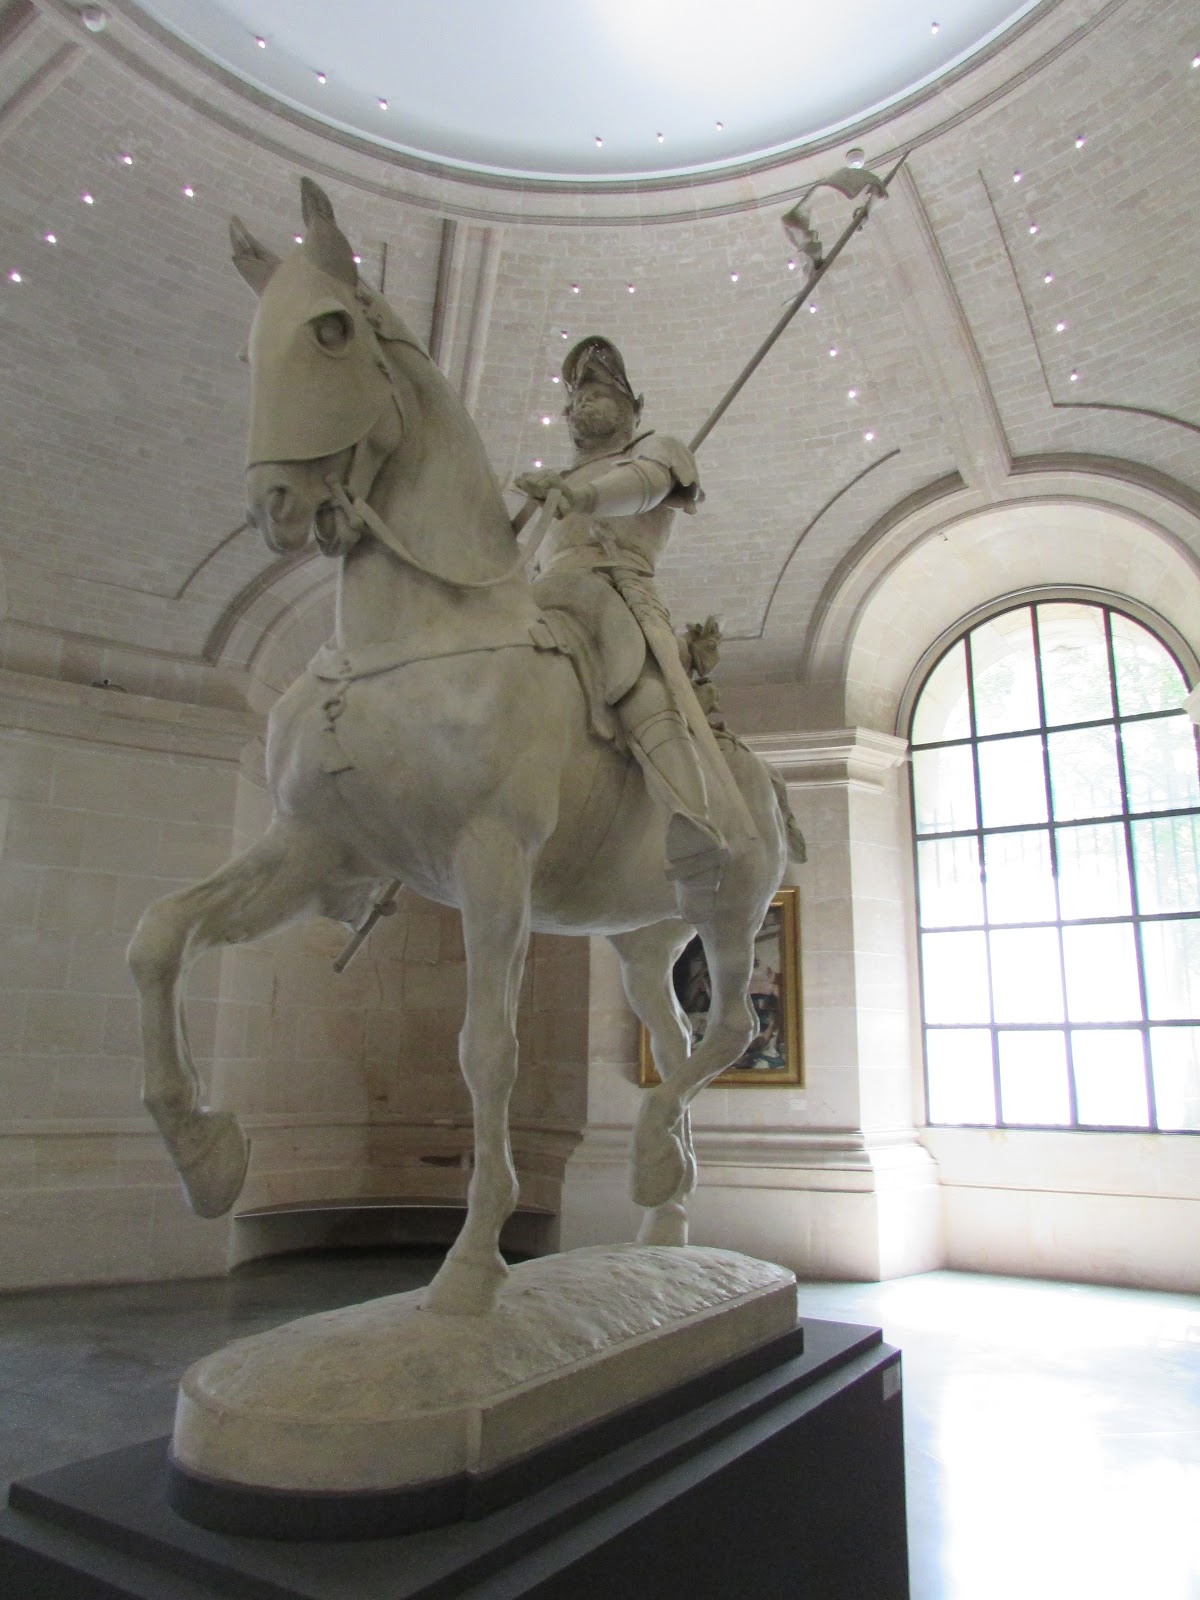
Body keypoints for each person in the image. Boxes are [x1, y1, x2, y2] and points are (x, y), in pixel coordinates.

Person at [516, 335, 751, 915]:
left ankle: (694, 825)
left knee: (638, 682)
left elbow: (640, 488)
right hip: (545, 596)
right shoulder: (558, 480)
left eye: (598, 394)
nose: (583, 405)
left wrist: (578, 496)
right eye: (577, 398)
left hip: (615, 591)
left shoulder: (658, 451)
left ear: (632, 407)